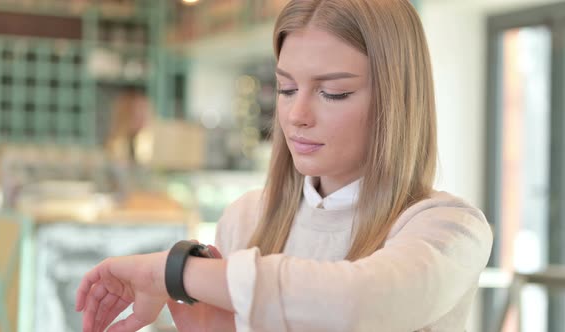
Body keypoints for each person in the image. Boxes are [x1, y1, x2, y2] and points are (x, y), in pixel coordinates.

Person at [76, 0, 493, 331]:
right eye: (287, 88)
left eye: (333, 93)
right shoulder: (245, 217)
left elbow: (353, 305)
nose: (297, 114)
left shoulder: (448, 229)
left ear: (397, 101)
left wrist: (173, 272)